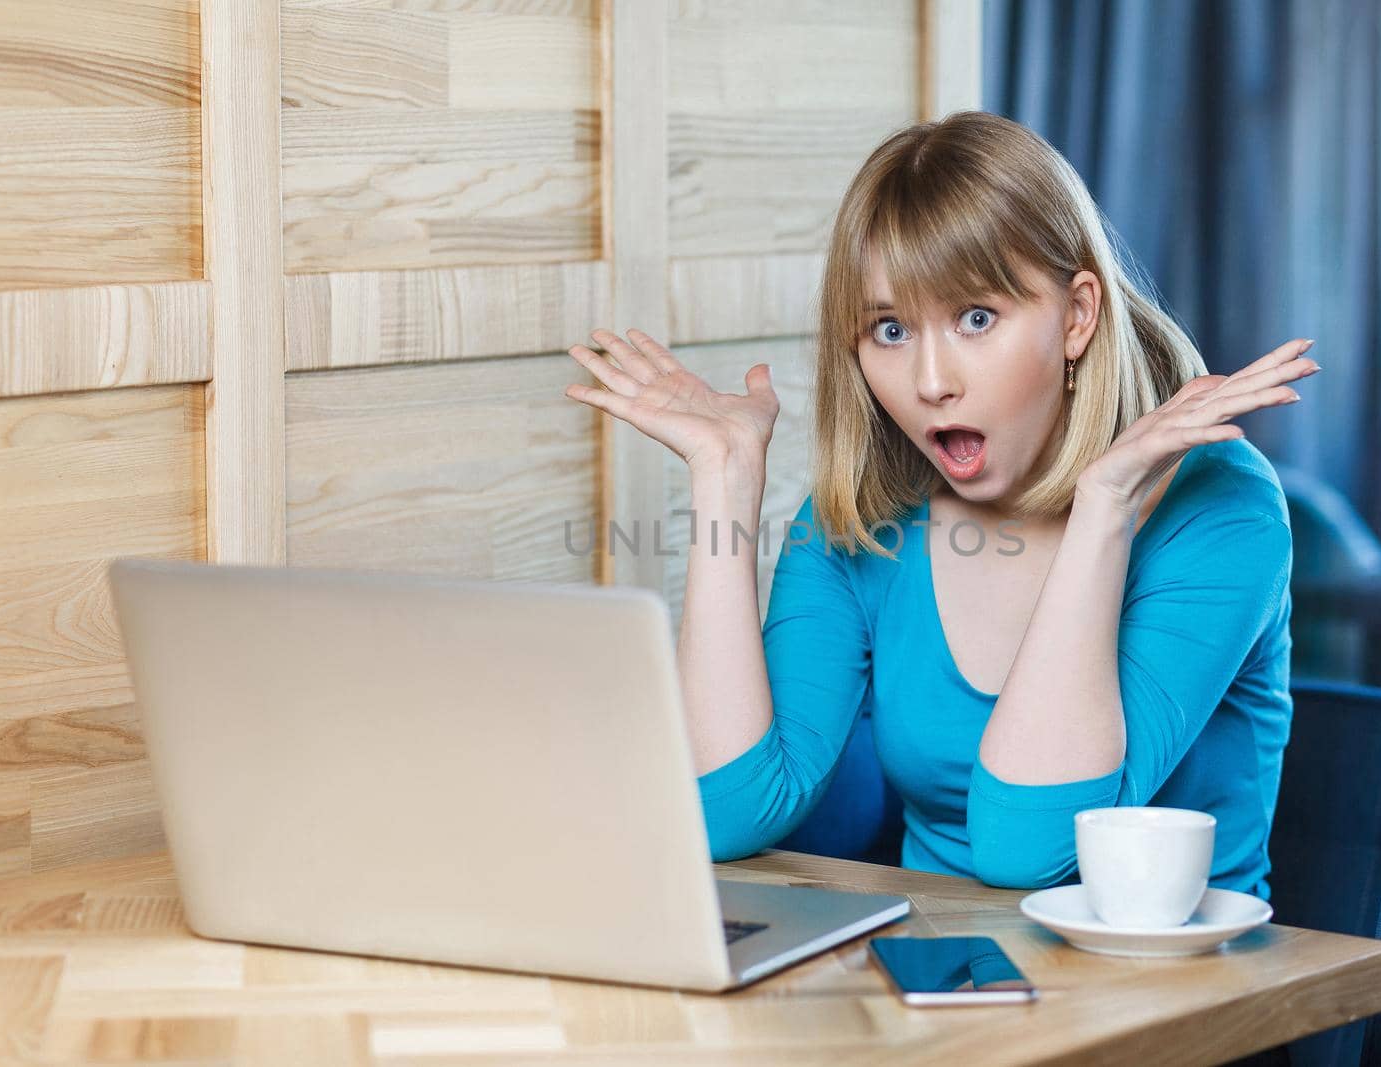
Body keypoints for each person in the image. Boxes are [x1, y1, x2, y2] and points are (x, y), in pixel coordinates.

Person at [562, 111, 1318, 898]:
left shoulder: (1223, 507)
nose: (930, 382)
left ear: (1077, 315)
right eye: (889, 328)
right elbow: (726, 815)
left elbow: (1026, 849)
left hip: (1178, 996)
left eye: (976, 318)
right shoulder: (861, 522)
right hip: (938, 988)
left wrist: (1102, 508)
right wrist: (723, 474)